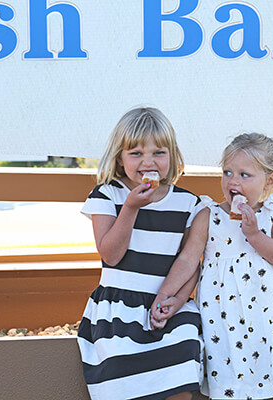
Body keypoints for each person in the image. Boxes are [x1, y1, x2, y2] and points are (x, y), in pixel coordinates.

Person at [151, 133, 273, 400]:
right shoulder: (210, 215)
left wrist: (255, 235)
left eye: (245, 175)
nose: (233, 181)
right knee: (233, 370)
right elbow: (188, 259)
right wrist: (166, 294)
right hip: (226, 315)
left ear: (270, 180)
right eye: (228, 172)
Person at [77, 106, 204, 400]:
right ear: (120, 160)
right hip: (118, 308)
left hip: (169, 305)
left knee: (183, 354)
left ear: (172, 156)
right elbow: (111, 255)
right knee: (121, 372)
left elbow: (190, 263)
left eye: (158, 153)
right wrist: (131, 208)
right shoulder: (107, 195)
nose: (148, 162)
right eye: (136, 154)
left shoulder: (187, 203)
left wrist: (177, 301)